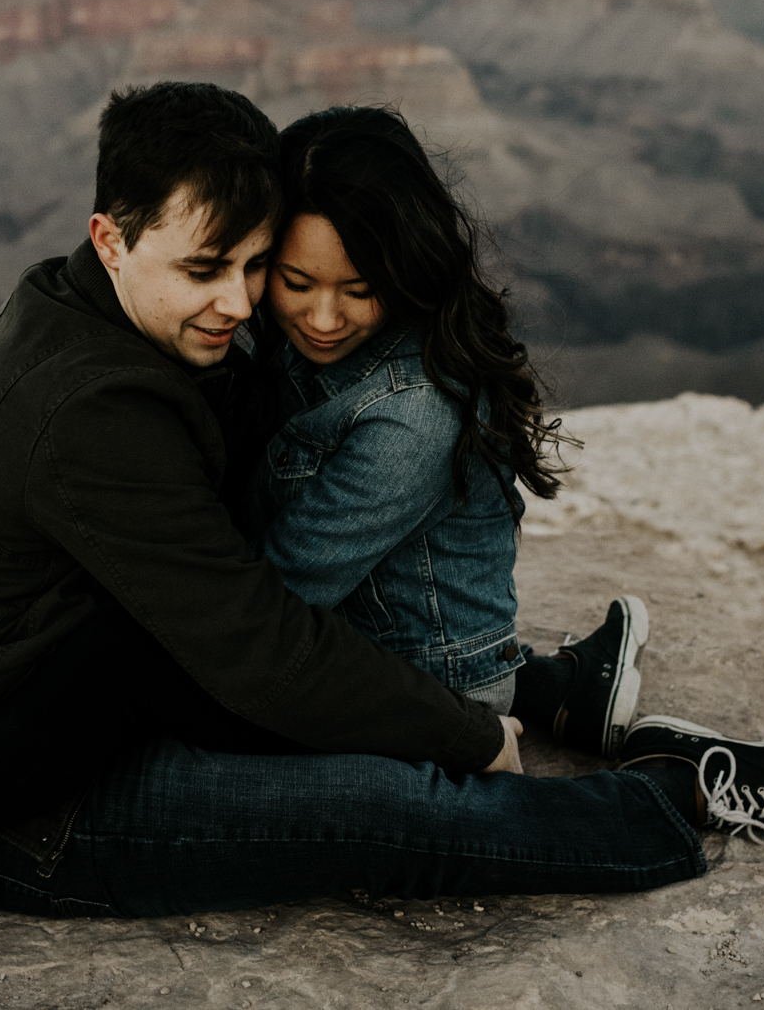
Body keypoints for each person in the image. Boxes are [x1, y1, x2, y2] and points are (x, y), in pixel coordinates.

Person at [0, 82, 764, 970]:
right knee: (409, 817)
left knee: (352, 710)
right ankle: (685, 800)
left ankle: (556, 695)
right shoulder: (93, 411)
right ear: (111, 238)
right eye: (211, 271)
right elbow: (250, 640)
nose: (244, 307)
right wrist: (465, 733)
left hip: (87, 683)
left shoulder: (90, 315)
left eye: (256, 267)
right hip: (27, 809)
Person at [248, 105, 645, 755]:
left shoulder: (413, 412)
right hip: (356, 643)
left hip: (431, 700)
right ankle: (563, 688)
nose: (322, 316)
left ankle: (667, 777)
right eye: (296, 282)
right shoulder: (280, 335)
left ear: (407, 263)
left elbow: (280, 598)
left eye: (359, 287)